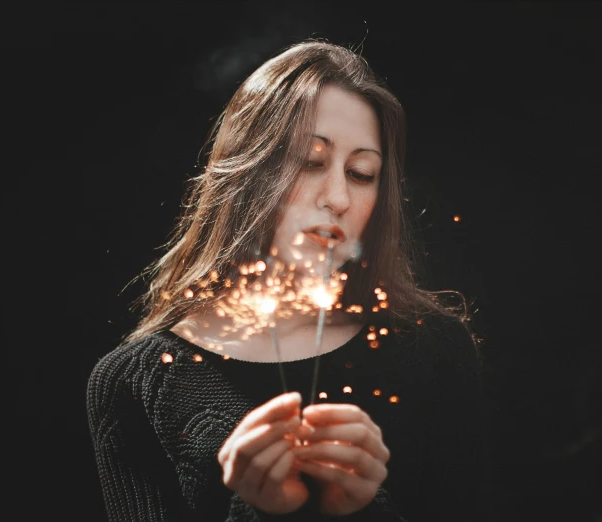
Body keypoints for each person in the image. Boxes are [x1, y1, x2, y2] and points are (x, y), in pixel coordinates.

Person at [86, 39, 489, 522]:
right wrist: (262, 512)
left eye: (362, 173)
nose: (338, 197)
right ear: (248, 171)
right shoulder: (133, 381)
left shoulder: (435, 348)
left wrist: (360, 509)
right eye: (310, 162)